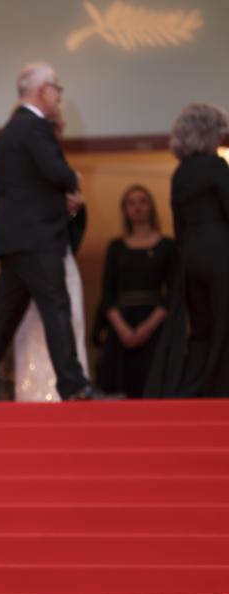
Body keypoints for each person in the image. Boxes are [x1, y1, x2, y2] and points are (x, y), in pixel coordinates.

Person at [0, 62, 95, 401]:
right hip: (39, 240)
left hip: (14, 241)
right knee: (56, 308)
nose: (58, 98)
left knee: (4, 319)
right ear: (43, 91)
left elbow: (1, 189)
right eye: (57, 90)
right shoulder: (35, 128)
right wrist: (71, 183)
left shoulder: (9, 132)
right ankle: (73, 385)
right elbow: (60, 174)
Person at [146, 103, 229, 397]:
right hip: (220, 252)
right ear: (209, 134)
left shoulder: (179, 173)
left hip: (190, 255)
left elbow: (178, 222)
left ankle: (195, 386)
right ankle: (220, 387)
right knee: (223, 322)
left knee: (201, 326)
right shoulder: (217, 166)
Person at [12, 111, 90, 402]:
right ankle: (34, 397)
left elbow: (74, 229)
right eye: (55, 127)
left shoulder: (60, 169)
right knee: (33, 331)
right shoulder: (23, 170)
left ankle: (73, 390)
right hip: (33, 259)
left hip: (61, 257)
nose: (60, 133)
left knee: (71, 325)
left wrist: (73, 209)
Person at [93, 186, 175, 398]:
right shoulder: (116, 247)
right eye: (131, 202)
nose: (137, 207)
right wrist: (123, 330)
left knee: (154, 387)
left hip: (154, 326)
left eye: (142, 201)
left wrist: (147, 327)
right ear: (125, 210)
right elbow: (107, 292)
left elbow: (173, 292)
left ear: (151, 207)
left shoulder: (167, 246)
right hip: (121, 326)